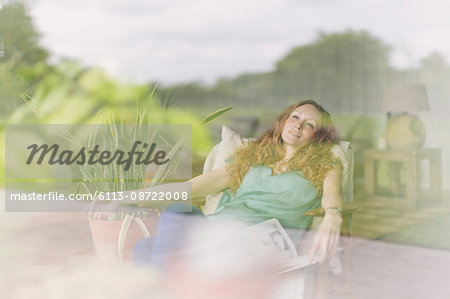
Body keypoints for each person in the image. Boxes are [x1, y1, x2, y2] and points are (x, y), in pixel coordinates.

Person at [94, 100, 343, 266]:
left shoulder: (326, 165)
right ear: (283, 121)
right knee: (162, 229)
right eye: (295, 116)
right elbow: (190, 188)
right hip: (217, 232)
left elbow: (332, 197)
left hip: (263, 241)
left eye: (309, 124)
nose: (298, 124)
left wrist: (333, 216)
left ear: (318, 135)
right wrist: (124, 196)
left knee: (151, 252)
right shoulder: (251, 158)